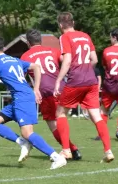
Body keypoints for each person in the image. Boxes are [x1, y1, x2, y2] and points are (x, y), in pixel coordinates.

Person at [0, 35, 67, 170]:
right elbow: (36, 67)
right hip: (20, 98)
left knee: (27, 133)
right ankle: (23, 143)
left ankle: (57, 157)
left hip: (22, 99)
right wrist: (36, 89)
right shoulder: (14, 60)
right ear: (3, 47)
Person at [53, 12, 114, 163]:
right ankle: (108, 151)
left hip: (76, 81)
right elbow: (94, 59)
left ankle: (66, 150)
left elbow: (67, 61)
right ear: (73, 22)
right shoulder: (85, 36)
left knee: (60, 113)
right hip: (91, 81)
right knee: (97, 116)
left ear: (60, 25)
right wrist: (86, 68)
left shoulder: (64, 37)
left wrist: (58, 80)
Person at [20, 29, 82, 160]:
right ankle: (70, 149)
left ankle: (71, 149)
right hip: (61, 88)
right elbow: (67, 61)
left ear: (28, 42)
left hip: (46, 91)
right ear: (40, 40)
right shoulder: (53, 50)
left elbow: (22, 77)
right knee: (62, 118)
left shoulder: (25, 56)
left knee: (53, 124)